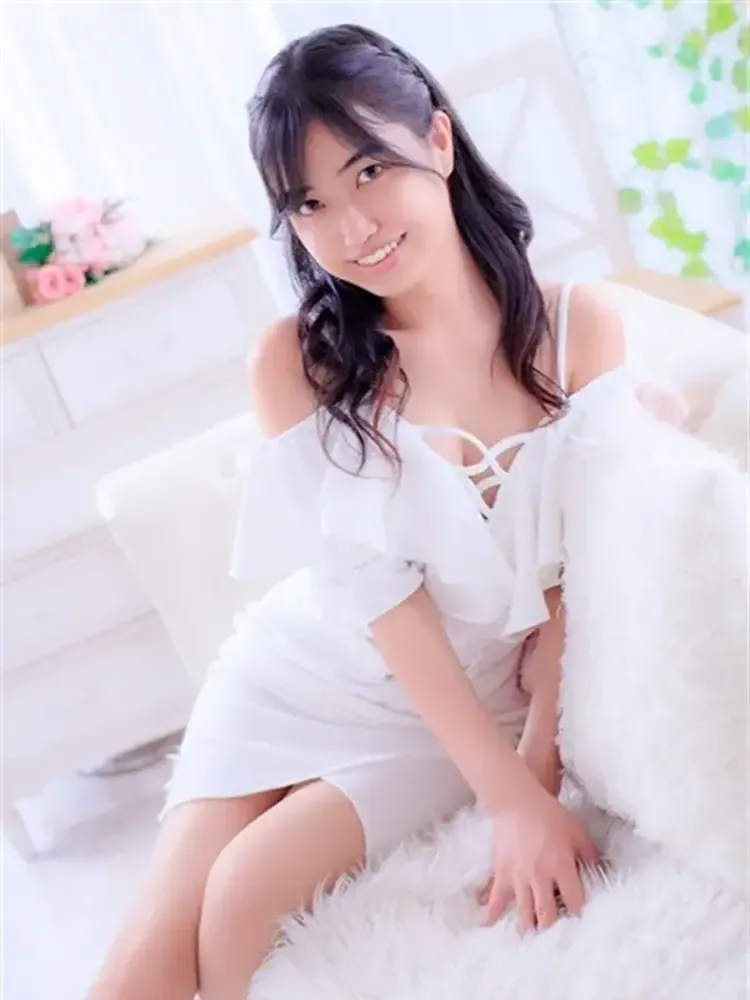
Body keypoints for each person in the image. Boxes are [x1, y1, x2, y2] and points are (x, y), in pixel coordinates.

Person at [89, 22, 660, 1000]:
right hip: (305, 671)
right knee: (141, 966)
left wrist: (534, 767)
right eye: (309, 203)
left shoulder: (579, 330)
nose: (352, 227)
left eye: (369, 172)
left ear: (437, 141)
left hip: (458, 706)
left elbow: (587, 572)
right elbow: (377, 595)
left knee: (239, 903)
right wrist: (510, 798)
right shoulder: (300, 363)